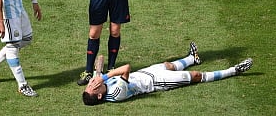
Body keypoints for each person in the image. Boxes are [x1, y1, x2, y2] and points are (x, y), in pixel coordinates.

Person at [82, 42, 253, 105]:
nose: (93, 83)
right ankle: (233, 71)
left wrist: (98, 76)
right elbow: (126, 67)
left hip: (145, 73)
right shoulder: (116, 93)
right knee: (195, 76)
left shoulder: (99, 89)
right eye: (93, 87)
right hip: (157, 82)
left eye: (91, 84)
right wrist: (103, 77)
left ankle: (192, 58)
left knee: (168, 65)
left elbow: (102, 61)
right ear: (99, 97)